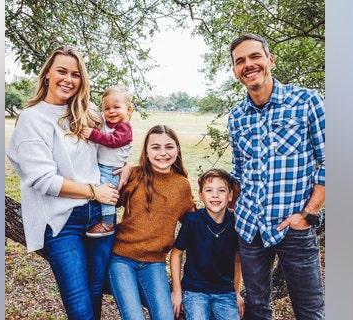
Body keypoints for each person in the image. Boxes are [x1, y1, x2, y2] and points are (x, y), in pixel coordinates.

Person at [6, 45, 126, 320]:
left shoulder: (88, 113)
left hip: (99, 214)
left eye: (75, 74)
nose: (68, 79)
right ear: (47, 73)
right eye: (61, 71)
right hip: (61, 221)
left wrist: (125, 166)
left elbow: (109, 150)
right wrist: (93, 191)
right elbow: (41, 178)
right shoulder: (32, 118)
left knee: (95, 293)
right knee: (79, 306)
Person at [227, 33, 326, 319]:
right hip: (250, 228)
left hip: (294, 226)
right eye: (240, 61)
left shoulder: (306, 102)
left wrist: (308, 214)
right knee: (257, 309)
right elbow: (240, 170)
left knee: (309, 310)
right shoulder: (236, 117)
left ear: (270, 60)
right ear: (235, 71)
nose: (248, 64)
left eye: (255, 56)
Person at [108, 125, 196, 320]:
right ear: (146, 152)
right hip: (121, 259)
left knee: (166, 316)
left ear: (177, 150)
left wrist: (224, 213)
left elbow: (194, 221)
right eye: (155, 147)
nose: (163, 153)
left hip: (154, 263)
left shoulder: (182, 185)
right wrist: (127, 168)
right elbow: (107, 202)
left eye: (169, 147)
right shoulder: (133, 176)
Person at [170, 168, 245, 320]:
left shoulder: (235, 223)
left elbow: (238, 259)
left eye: (221, 190)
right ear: (201, 195)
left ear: (230, 196)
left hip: (225, 291)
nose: (215, 195)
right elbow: (176, 253)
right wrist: (177, 290)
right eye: (209, 190)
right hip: (195, 290)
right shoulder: (193, 221)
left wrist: (236, 292)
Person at [81, 86, 134, 237]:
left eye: (116, 107)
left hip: (112, 170)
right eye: (107, 108)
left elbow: (112, 141)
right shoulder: (106, 124)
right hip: (102, 166)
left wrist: (93, 135)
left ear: (128, 109)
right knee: (99, 191)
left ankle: (108, 223)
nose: (111, 111)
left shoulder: (125, 128)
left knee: (107, 195)